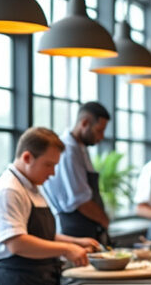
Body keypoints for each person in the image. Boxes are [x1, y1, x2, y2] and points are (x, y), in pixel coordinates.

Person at [0, 127, 102, 285]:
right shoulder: (9, 190)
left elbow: (41, 234)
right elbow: (17, 243)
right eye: (49, 165)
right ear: (27, 157)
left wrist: (76, 242)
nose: (53, 173)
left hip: (36, 281)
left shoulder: (32, 187)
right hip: (14, 284)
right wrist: (67, 249)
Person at [42, 102, 111, 244]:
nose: (102, 136)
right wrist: (104, 220)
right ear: (84, 123)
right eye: (99, 130)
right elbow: (80, 201)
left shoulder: (81, 148)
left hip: (87, 229)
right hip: (74, 230)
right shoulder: (68, 150)